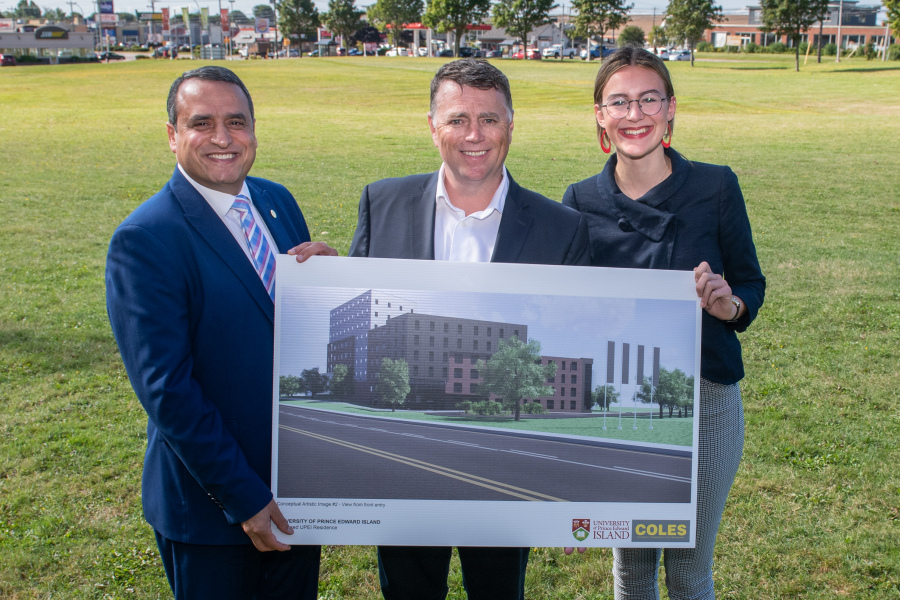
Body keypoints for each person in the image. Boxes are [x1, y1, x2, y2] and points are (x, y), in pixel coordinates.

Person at [349, 58, 591, 600]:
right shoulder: (381, 203)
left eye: (490, 119)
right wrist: (315, 276)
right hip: (406, 456)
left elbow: (569, 345)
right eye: (457, 119)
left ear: (511, 126)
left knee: (499, 591)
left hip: (504, 459)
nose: (474, 135)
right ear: (432, 126)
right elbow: (357, 304)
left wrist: (576, 498)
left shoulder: (561, 229)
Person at [105, 65, 334, 600]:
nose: (223, 139)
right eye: (201, 123)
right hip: (216, 509)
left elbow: (285, 328)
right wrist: (243, 497)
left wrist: (325, 283)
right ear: (172, 136)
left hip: (297, 487)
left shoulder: (276, 201)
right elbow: (168, 392)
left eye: (237, 121)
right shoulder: (147, 238)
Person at [561, 46, 765, 600]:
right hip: (620, 403)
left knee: (689, 567)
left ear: (671, 108)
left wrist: (729, 305)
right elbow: (564, 311)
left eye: (649, 99)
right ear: (600, 116)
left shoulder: (716, 187)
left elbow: (750, 283)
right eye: (619, 102)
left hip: (705, 397)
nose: (635, 114)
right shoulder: (578, 201)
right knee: (632, 570)